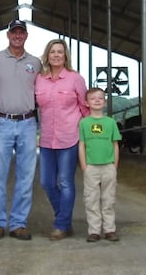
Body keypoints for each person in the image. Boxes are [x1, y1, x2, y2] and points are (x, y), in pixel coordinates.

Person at [0, 19, 42, 240]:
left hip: (28, 123)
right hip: (2, 122)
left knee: (25, 176)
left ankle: (18, 223)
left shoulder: (35, 63)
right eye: (14, 32)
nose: (18, 36)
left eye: (21, 32)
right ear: (8, 35)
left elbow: (43, 91)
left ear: (26, 36)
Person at [35, 39, 89, 241]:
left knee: (66, 182)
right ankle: (65, 221)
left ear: (65, 55)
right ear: (47, 56)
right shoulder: (39, 79)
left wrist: (88, 137)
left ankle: (60, 225)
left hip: (70, 137)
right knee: (46, 182)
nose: (56, 55)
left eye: (60, 52)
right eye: (52, 52)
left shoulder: (75, 79)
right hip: (47, 139)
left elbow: (85, 108)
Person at [78, 87, 122, 243]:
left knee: (108, 198)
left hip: (108, 166)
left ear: (105, 102)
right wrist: (84, 166)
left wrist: (114, 165)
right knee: (91, 198)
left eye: (100, 98)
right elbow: (81, 145)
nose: (97, 101)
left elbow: (115, 144)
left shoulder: (110, 122)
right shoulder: (84, 123)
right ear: (86, 103)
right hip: (91, 167)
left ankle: (110, 229)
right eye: (93, 98)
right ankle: (94, 230)